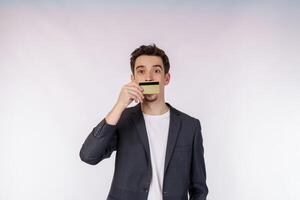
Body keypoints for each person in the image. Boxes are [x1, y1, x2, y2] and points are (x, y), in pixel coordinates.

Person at [79, 44, 208, 200]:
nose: (148, 78)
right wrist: (120, 105)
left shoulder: (190, 126)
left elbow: (199, 189)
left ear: (166, 78)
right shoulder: (122, 119)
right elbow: (88, 156)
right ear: (133, 79)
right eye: (141, 71)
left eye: (156, 71)